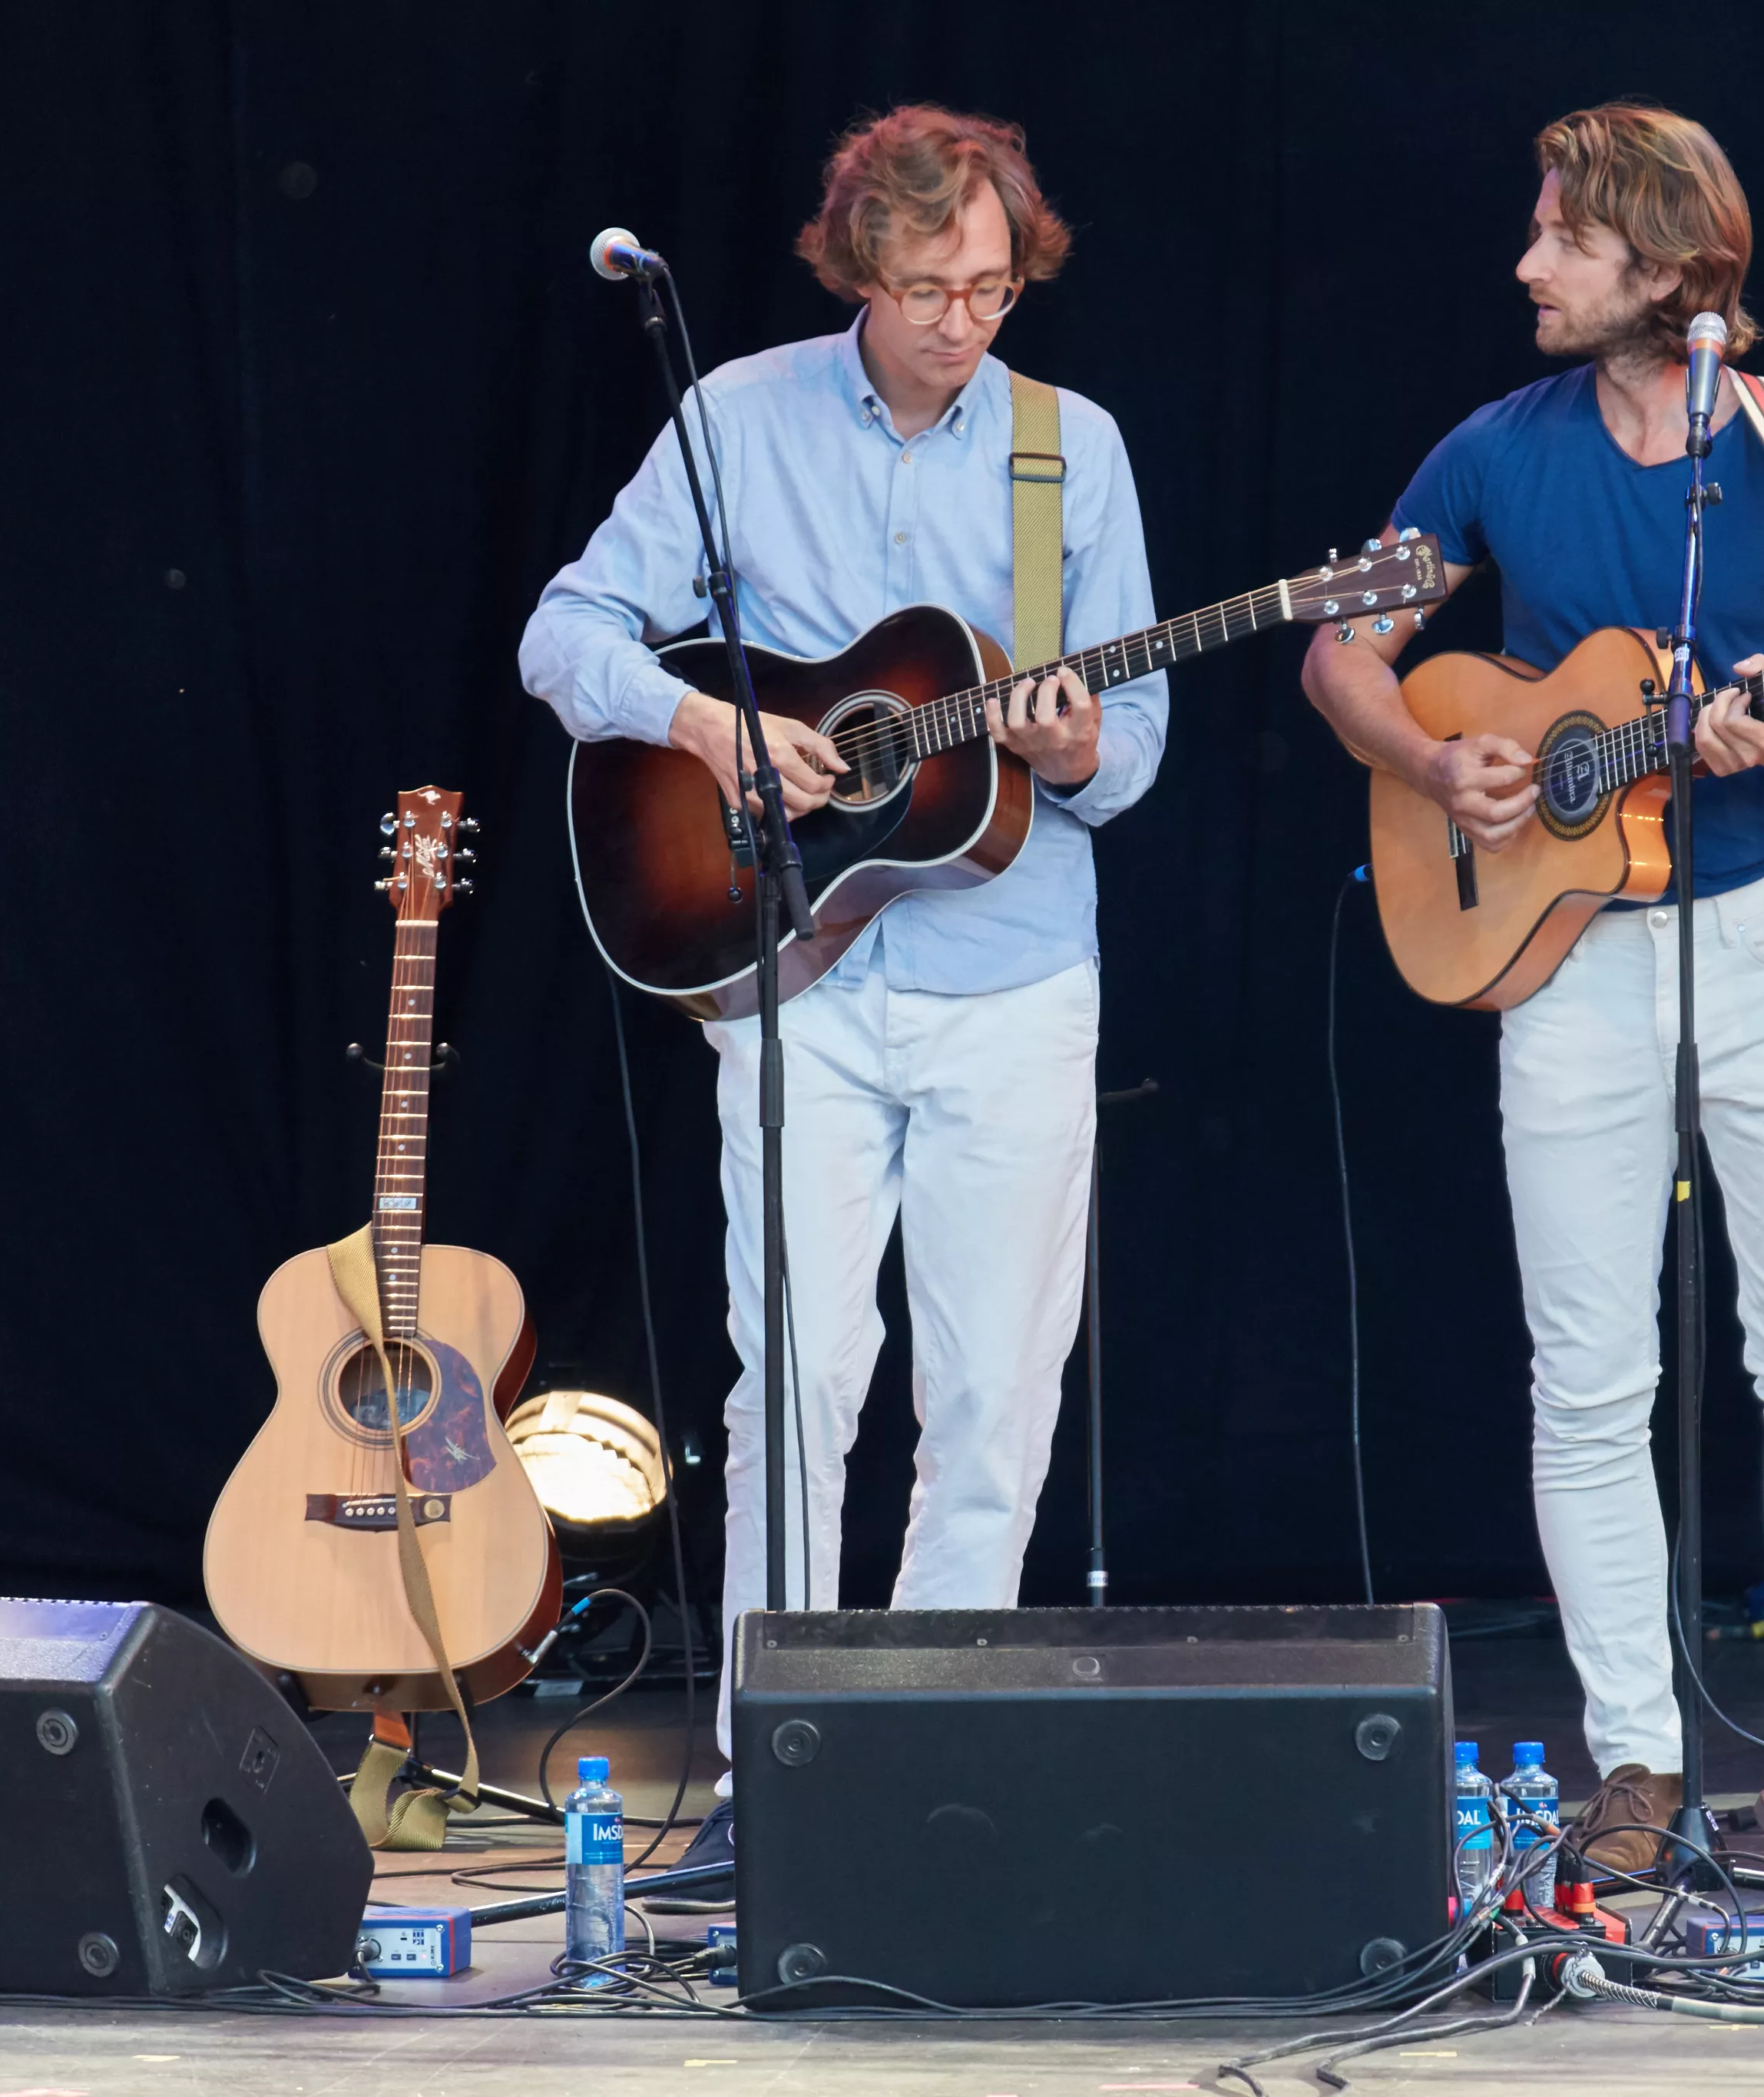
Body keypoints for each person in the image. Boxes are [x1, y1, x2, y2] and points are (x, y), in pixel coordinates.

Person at [521, 105, 1166, 1869]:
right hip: (793, 975)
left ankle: (932, 1775)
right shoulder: (738, 417)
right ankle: (777, 1777)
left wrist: (1078, 743)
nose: (965, 322)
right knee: (793, 1389)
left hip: (1012, 979)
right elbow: (562, 633)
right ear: (858, 269)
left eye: (994, 288)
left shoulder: (1068, 450)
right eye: (930, 288)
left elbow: (1135, 752)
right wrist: (702, 723)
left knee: (992, 1405)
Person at [1301, 103, 1764, 1880]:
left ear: (1660, 266)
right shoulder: (1491, 450)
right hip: (1560, 953)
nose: (1525, 265)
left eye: (1561, 237)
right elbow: (1344, 651)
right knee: (1584, 1376)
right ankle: (1634, 1763)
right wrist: (1434, 763)